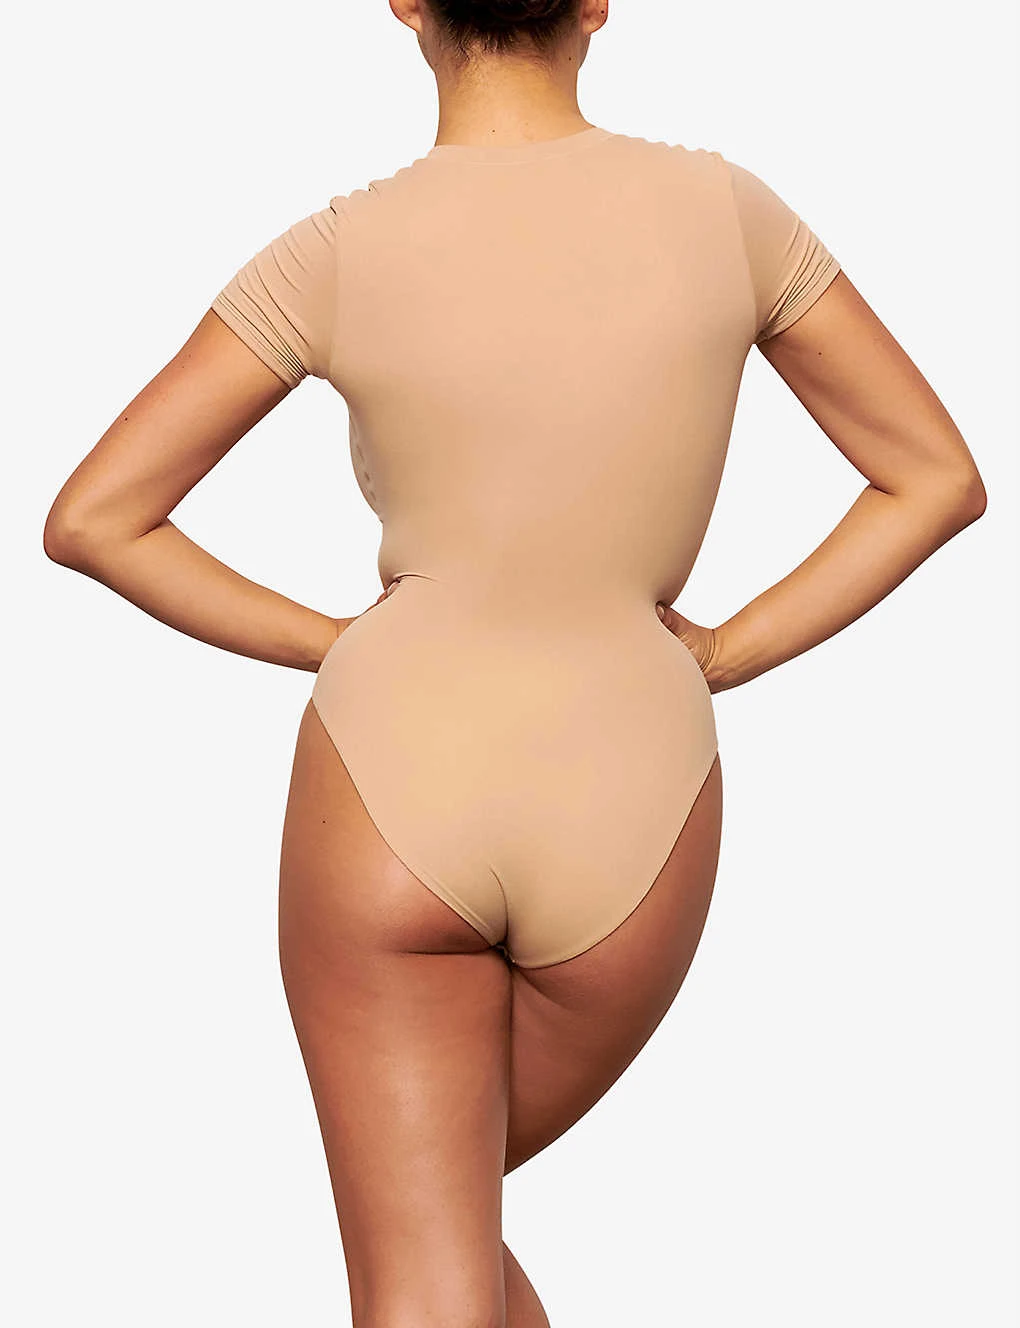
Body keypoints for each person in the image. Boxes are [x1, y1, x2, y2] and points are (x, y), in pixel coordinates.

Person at [42, 1, 987, 1323]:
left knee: (422, 1276)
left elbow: (95, 519)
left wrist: (338, 642)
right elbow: (935, 478)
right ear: (596, 2)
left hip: (397, 779)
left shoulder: (337, 249)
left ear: (405, 2)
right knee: (450, 1253)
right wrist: (723, 650)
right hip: (638, 795)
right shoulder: (732, 215)